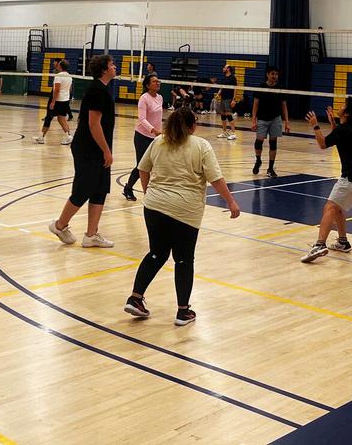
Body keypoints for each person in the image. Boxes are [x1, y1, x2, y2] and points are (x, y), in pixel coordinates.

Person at [123, 108, 241, 326]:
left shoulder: (158, 141)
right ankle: (183, 311)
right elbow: (215, 178)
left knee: (157, 253)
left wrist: (149, 192)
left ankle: (135, 298)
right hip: (185, 210)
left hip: (154, 206)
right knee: (183, 259)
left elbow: (142, 169)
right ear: (192, 126)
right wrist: (231, 202)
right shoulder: (201, 145)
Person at [49, 54, 117, 248]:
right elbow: (93, 124)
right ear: (104, 69)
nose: (115, 67)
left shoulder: (103, 89)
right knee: (84, 188)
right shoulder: (97, 90)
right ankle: (59, 225)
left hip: (97, 147)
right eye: (112, 64)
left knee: (100, 189)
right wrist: (106, 151)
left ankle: (91, 235)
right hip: (88, 147)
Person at [301, 98, 352, 262]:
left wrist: (315, 125)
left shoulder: (344, 130)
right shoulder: (350, 129)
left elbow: (323, 144)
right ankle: (343, 242)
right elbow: (337, 137)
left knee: (330, 207)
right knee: (338, 208)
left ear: (347, 113)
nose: (341, 106)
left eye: (344, 105)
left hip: (351, 179)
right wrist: (333, 122)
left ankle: (320, 245)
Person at [123, 73, 163, 201]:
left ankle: (153, 191)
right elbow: (142, 119)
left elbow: (158, 118)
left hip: (155, 137)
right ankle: (128, 188)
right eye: (154, 81)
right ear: (147, 85)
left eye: (158, 81)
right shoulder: (144, 98)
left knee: (154, 165)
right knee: (141, 165)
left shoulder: (160, 97)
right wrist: (153, 130)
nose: (158, 83)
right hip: (142, 136)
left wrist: (160, 131)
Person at [250, 66, 289, 178]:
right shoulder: (261, 87)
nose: (274, 76)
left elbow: (284, 105)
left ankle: (270, 168)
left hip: (275, 118)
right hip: (262, 118)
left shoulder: (280, 88)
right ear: (267, 74)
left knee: (273, 143)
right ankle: (258, 160)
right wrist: (253, 120)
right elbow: (255, 104)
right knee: (259, 141)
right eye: (272, 74)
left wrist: (287, 121)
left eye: (276, 74)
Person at [38, 59, 73, 144]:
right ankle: (69, 137)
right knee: (61, 119)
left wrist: (53, 102)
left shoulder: (58, 76)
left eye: (58, 64)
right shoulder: (69, 76)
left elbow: (56, 90)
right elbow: (70, 89)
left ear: (60, 66)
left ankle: (41, 138)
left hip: (58, 100)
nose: (57, 65)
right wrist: (68, 98)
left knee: (48, 118)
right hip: (65, 100)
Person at [215, 64, 237, 140]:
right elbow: (222, 87)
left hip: (229, 99)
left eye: (224, 67)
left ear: (228, 69)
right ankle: (224, 132)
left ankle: (233, 133)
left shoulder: (233, 78)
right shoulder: (224, 77)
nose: (223, 68)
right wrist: (218, 93)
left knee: (229, 115)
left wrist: (234, 100)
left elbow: (235, 89)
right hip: (223, 98)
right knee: (223, 115)